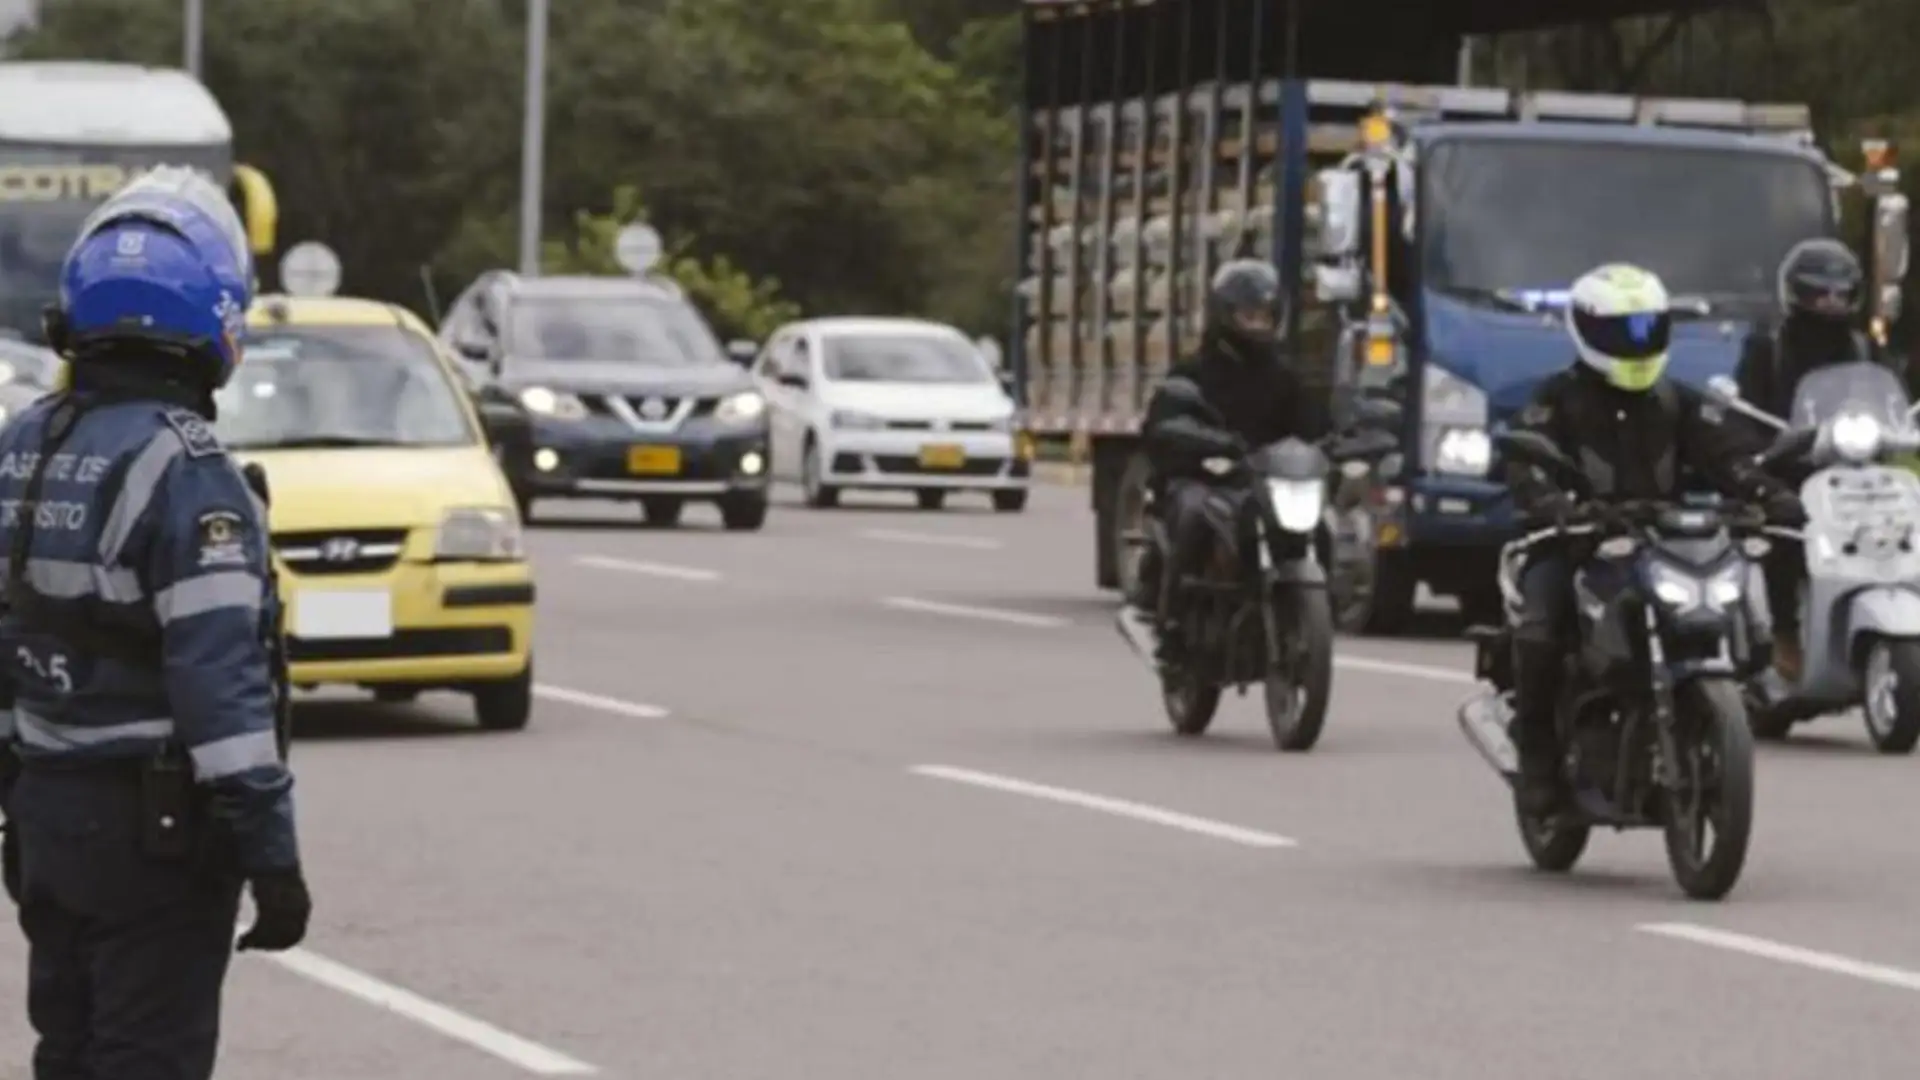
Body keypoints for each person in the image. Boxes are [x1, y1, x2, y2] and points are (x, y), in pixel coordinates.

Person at [0, 166, 310, 1080]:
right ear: (213, 318)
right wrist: (272, 854)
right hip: (152, 832)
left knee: (71, 1050)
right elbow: (220, 682)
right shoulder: (189, 468)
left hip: (46, 813)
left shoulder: (23, 444)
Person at [1504, 263, 1796, 814]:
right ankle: (1538, 757)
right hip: (1577, 542)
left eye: (1647, 328)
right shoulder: (1556, 398)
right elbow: (1527, 460)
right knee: (1542, 625)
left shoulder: (1677, 401)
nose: (1637, 343)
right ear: (1586, 329)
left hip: (1661, 540)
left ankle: (1749, 680)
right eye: (1623, 330)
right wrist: (1556, 506)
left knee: (1730, 580)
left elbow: (1726, 453)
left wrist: (1767, 492)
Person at [1132, 258, 1313, 664]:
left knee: (1313, 516)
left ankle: (1304, 605)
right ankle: (1172, 623)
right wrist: (1201, 440)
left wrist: (1343, 442)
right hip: (1206, 478)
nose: (1259, 326)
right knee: (1195, 511)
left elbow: (1313, 427)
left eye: (1265, 316)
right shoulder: (1193, 373)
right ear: (1225, 316)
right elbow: (1162, 423)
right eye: (1249, 316)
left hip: (1261, 483)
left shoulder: (1285, 378)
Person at [1731, 238, 1871, 681]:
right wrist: (1759, 446)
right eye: (1819, 293)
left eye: (1840, 293)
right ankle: (1785, 633)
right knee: (1787, 532)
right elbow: (1745, 407)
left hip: (1851, 467)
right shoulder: (1767, 347)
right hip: (1787, 467)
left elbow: (1885, 397)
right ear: (1796, 293)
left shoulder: (1862, 348)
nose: (1830, 303)